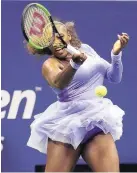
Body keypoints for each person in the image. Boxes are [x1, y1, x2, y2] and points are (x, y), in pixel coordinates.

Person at [26, 21, 129, 172]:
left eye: (60, 36)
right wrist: (74, 65)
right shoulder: (50, 64)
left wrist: (116, 54)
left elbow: (114, 77)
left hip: (95, 121)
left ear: (68, 36)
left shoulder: (86, 50)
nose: (56, 42)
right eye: (50, 40)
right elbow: (59, 83)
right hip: (66, 126)